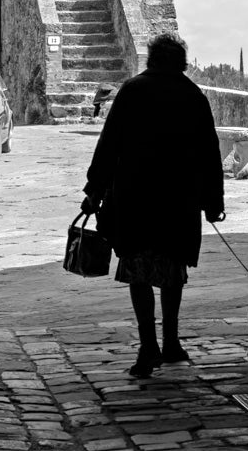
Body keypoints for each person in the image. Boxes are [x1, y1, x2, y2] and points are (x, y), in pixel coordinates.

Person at [80, 32, 225, 378]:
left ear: (151, 59)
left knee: (139, 273)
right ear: (181, 62)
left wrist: (94, 190)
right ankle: (171, 342)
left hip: (135, 199)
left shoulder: (132, 91)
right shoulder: (193, 96)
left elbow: (109, 145)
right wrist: (213, 200)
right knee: (173, 272)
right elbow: (210, 153)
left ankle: (149, 347)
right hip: (178, 201)